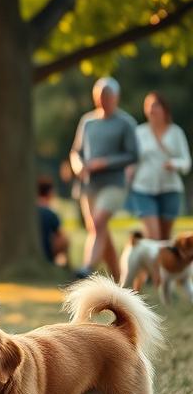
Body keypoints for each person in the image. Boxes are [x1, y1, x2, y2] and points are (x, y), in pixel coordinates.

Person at [69, 77, 137, 281]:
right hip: (89, 184)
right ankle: (119, 278)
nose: (104, 101)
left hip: (114, 184)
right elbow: (76, 151)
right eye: (100, 97)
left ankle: (87, 269)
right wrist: (78, 165)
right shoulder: (87, 121)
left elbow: (133, 154)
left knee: (98, 223)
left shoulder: (126, 123)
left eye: (107, 97)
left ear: (116, 97)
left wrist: (105, 162)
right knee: (98, 230)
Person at [129, 91, 191, 240]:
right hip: (143, 188)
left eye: (156, 105)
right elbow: (132, 160)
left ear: (164, 109)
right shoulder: (139, 132)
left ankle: (158, 262)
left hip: (170, 189)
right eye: (149, 106)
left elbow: (186, 162)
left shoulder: (176, 132)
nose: (152, 110)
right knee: (153, 236)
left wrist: (174, 164)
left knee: (164, 238)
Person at [36, 176, 70, 267]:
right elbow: (63, 239)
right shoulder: (50, 214)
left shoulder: (28, 213)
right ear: (50, 192)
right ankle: (66, 266)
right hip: (46, 257)